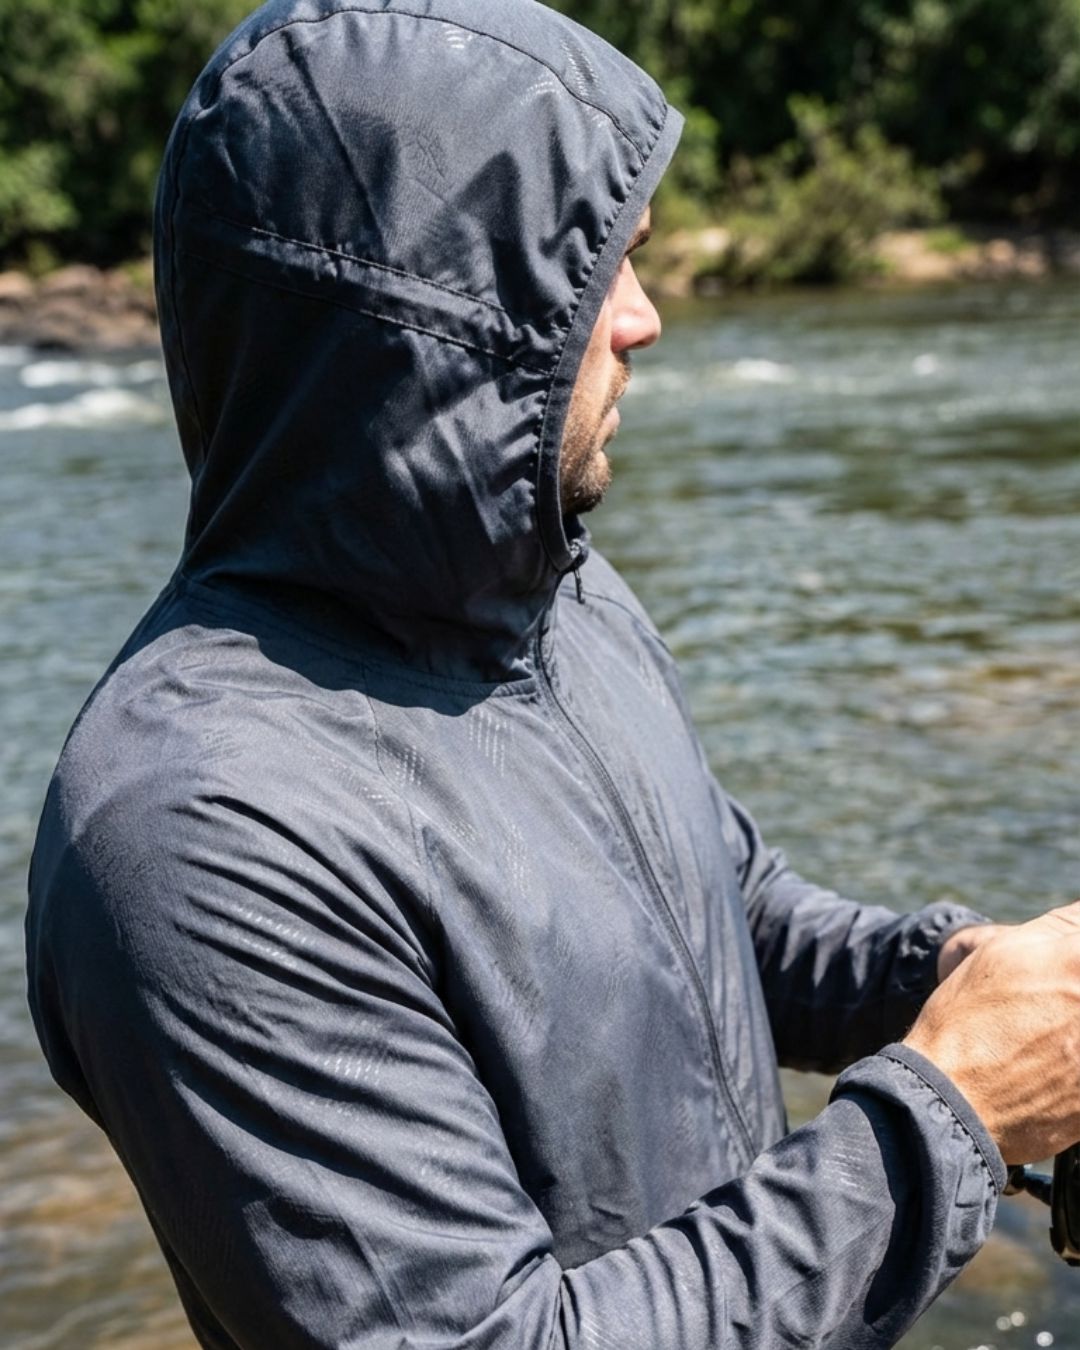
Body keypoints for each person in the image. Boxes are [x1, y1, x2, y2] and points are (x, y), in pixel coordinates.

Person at [25, 1, 1080, 1346]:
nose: (643, 322)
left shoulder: (553, 599)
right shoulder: (194, 837)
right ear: (438, 324)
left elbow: (715, 900)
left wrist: (956, 974)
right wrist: (957, 1110)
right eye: (595, 275)